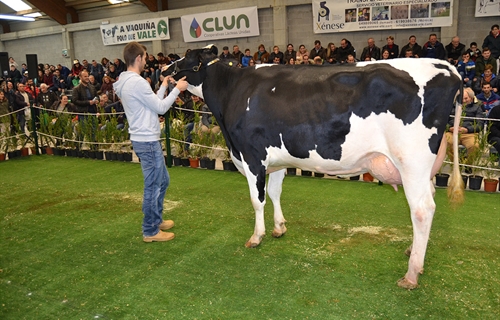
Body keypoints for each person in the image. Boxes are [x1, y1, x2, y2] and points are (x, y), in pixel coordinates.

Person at [113, 41, 188, 242]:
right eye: (145, 57)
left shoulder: (125, 80)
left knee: (162, 181)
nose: (146, 61)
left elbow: (152, 104)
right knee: (153, 185)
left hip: (144, 138)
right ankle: (150, 230)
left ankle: (156, 220)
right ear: (138, 58)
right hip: (146, 140)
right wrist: (177, 89)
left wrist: (163, 86)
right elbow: (161, 108)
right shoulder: (137, 82)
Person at [445, 87, 484, 167]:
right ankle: (456, 164)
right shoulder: (450, 107)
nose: (463, 101)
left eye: (466, 98)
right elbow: (444, 122)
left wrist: (467, 129)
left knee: (474, 145)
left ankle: (468, 165)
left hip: (470, 133)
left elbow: (480, 124)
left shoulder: (477, 108)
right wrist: (450, 128)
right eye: (461, 98)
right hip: (452, 132)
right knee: (446, 142)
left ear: (471, 97)